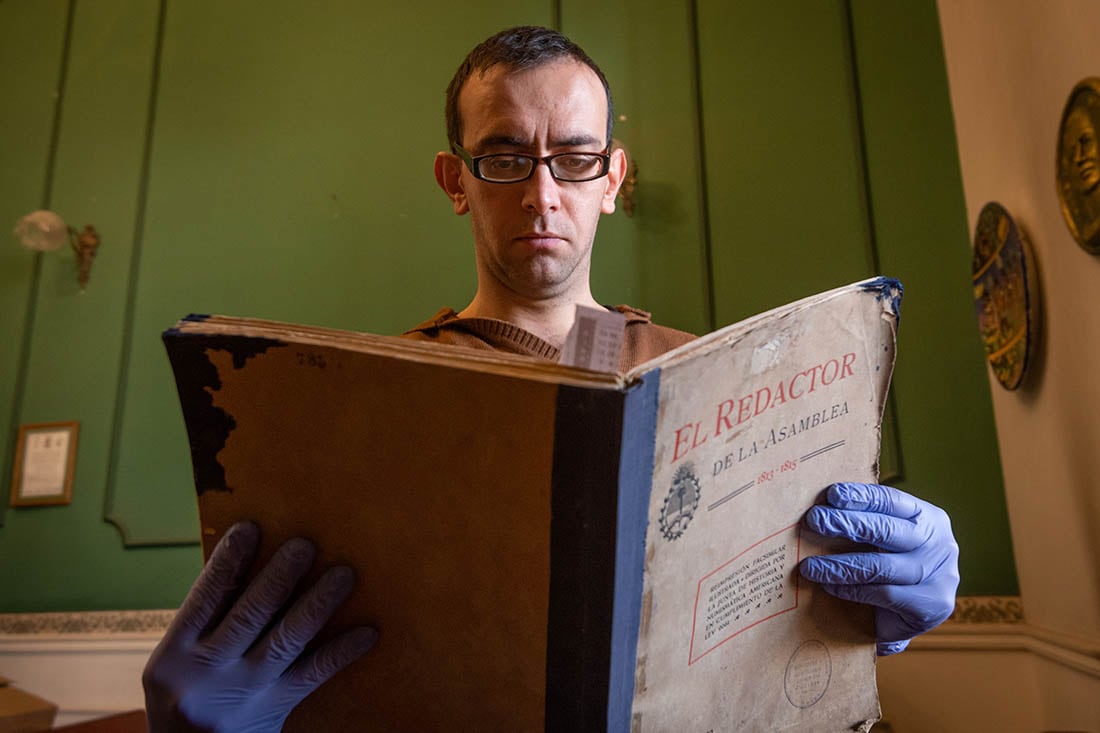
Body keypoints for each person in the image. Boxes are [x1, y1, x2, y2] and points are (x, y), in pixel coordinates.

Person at [142, 26, 959, 731]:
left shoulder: (719, 375)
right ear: (455, 180)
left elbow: (784, 606)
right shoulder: (363, 399)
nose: (541, 194)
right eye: (503, 158)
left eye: (573, 160)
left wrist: (883, 604)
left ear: (611, 179)